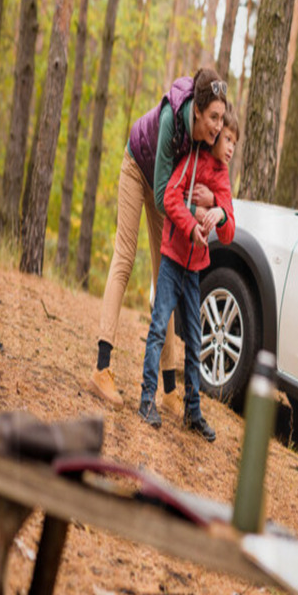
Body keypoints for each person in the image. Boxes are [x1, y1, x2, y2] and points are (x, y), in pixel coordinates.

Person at [88, 68, 228, 418]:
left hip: (164, 190)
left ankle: (168, 390)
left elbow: (205, 187)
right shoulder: (171, 120)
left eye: (221, 118)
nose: (217, 126)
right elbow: (168, 195)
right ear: (196, 110)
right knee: (124, 256)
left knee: (163, 274)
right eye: (213, 117)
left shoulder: (206, 141)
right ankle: (101, 368)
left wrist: (212, 200)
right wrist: (196, 209)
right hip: (138, 166)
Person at [137, 103, 238, 440]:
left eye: (234, 143)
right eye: (227, 139)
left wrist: (218, 212)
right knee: (158, 327)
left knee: (195, 342)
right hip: (172, 260)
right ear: (213, 137)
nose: (230, 148)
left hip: (195, 270)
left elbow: (229, 230)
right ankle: (147, 399)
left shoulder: (222, 178)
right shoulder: (192, 159)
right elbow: (169, 196)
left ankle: (192, 412)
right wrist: (194, 219)